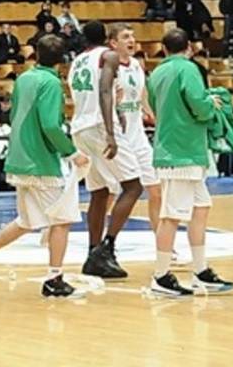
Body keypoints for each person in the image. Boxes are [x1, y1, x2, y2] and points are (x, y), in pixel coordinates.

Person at [0, 35, 90, 297]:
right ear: (62, 60)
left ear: (36, 54)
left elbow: (13, 114)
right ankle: (54, 279)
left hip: (18, 157)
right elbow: (50, 125)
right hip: (40, 161)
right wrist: (72, 153)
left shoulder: (23, 78)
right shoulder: (51, 83)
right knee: (62, 219)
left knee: (27, 220)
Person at [148, 28, 233, 296]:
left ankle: (201, 270)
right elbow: (199, 105)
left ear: (164, 49)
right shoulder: (188, 69)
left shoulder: (157, 72)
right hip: (181, 151)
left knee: (200, 207)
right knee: (171, 216)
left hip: (177, 148)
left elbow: (153, 105)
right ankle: (160, 276)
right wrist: (212, 104)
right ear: (189, 48)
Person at [68, 21, 142, 279]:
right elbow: (103, 91)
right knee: (133, 186)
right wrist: (111, 132)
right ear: (106, 38)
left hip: (80, 127)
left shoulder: (77, 61)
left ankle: (93, 254)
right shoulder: (108, 56)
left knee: (100, 192)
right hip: (99, 125)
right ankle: (106, 247)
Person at [109, 23, 164, 235]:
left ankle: (162, 242)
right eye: (125, 37)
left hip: (137, 137)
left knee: (156, 189)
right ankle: (101, 240)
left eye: (132, 36)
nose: (131, 40)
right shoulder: (107, 67)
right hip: (117, 138)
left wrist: (152, 116)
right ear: (113, 43)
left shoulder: (136, 65)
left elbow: (142, 96)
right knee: (109, 194)